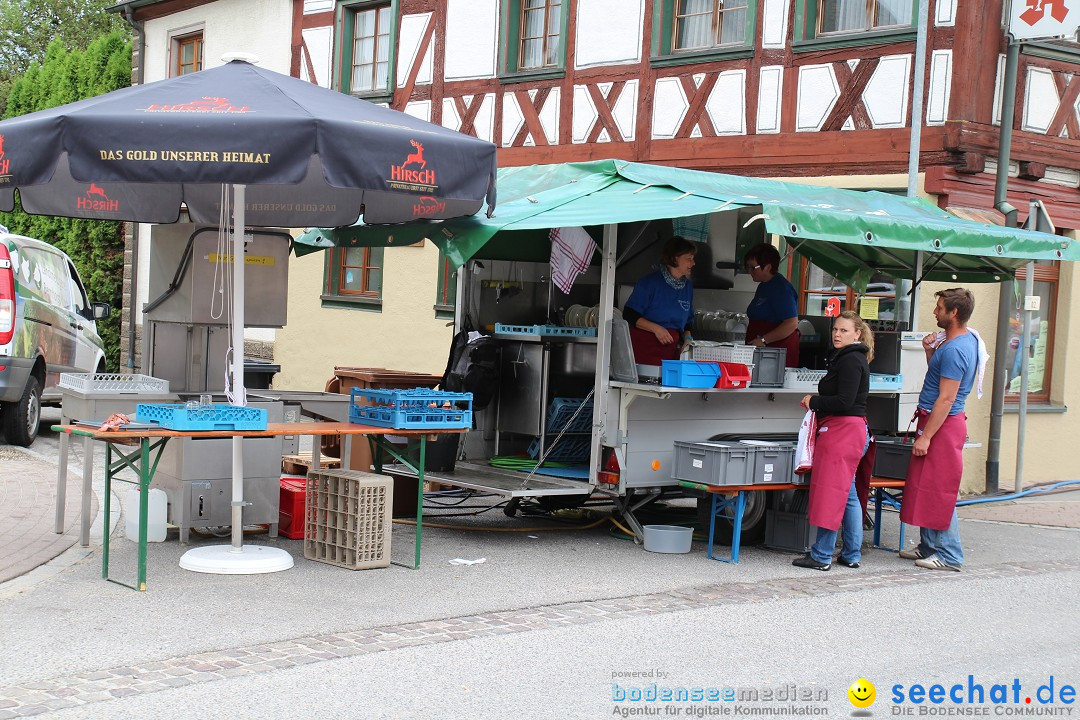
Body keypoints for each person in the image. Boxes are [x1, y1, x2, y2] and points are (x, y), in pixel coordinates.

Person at [899, 288, 980, 572]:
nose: (935, 311)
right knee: (925, 485)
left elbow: (946, 398)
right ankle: (929, 545)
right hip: (936, 420)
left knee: (940, 489)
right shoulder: (955, 342)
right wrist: (929, 351)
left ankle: (950, 554)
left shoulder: (958, 348)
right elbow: (939, 375)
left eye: (939, 307)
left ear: (954, 313)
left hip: (943, 425)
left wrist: (927, 436)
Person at [793, 311, 877, 571]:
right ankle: (851, 553)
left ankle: (821, 555)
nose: (837, 334)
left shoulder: (851, 360)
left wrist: (813, 402)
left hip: (843, 431)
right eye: (836, 329)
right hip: (851, 431)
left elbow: (844, 401)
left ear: (857, 334)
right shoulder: (852, 358)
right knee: (848, 494)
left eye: (844, 330)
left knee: (831, 492)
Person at [623, 236, 697, 366]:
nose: (693, 263)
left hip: (671, 351)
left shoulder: (687, 287)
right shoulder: (649, 283)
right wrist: (656, 329)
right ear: (674, 258)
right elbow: (629, 314)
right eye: (689, 259)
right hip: (645, 349)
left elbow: (687, 323)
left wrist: (688, 338)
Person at [743, 243, 800, 367]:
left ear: (768, 267)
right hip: (761, 350)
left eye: (753, 267)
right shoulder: (763, 286)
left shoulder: (781, 288)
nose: (749, 271)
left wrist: (764, 340)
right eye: (747, 267)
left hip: (775, 353)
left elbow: (791, 323)